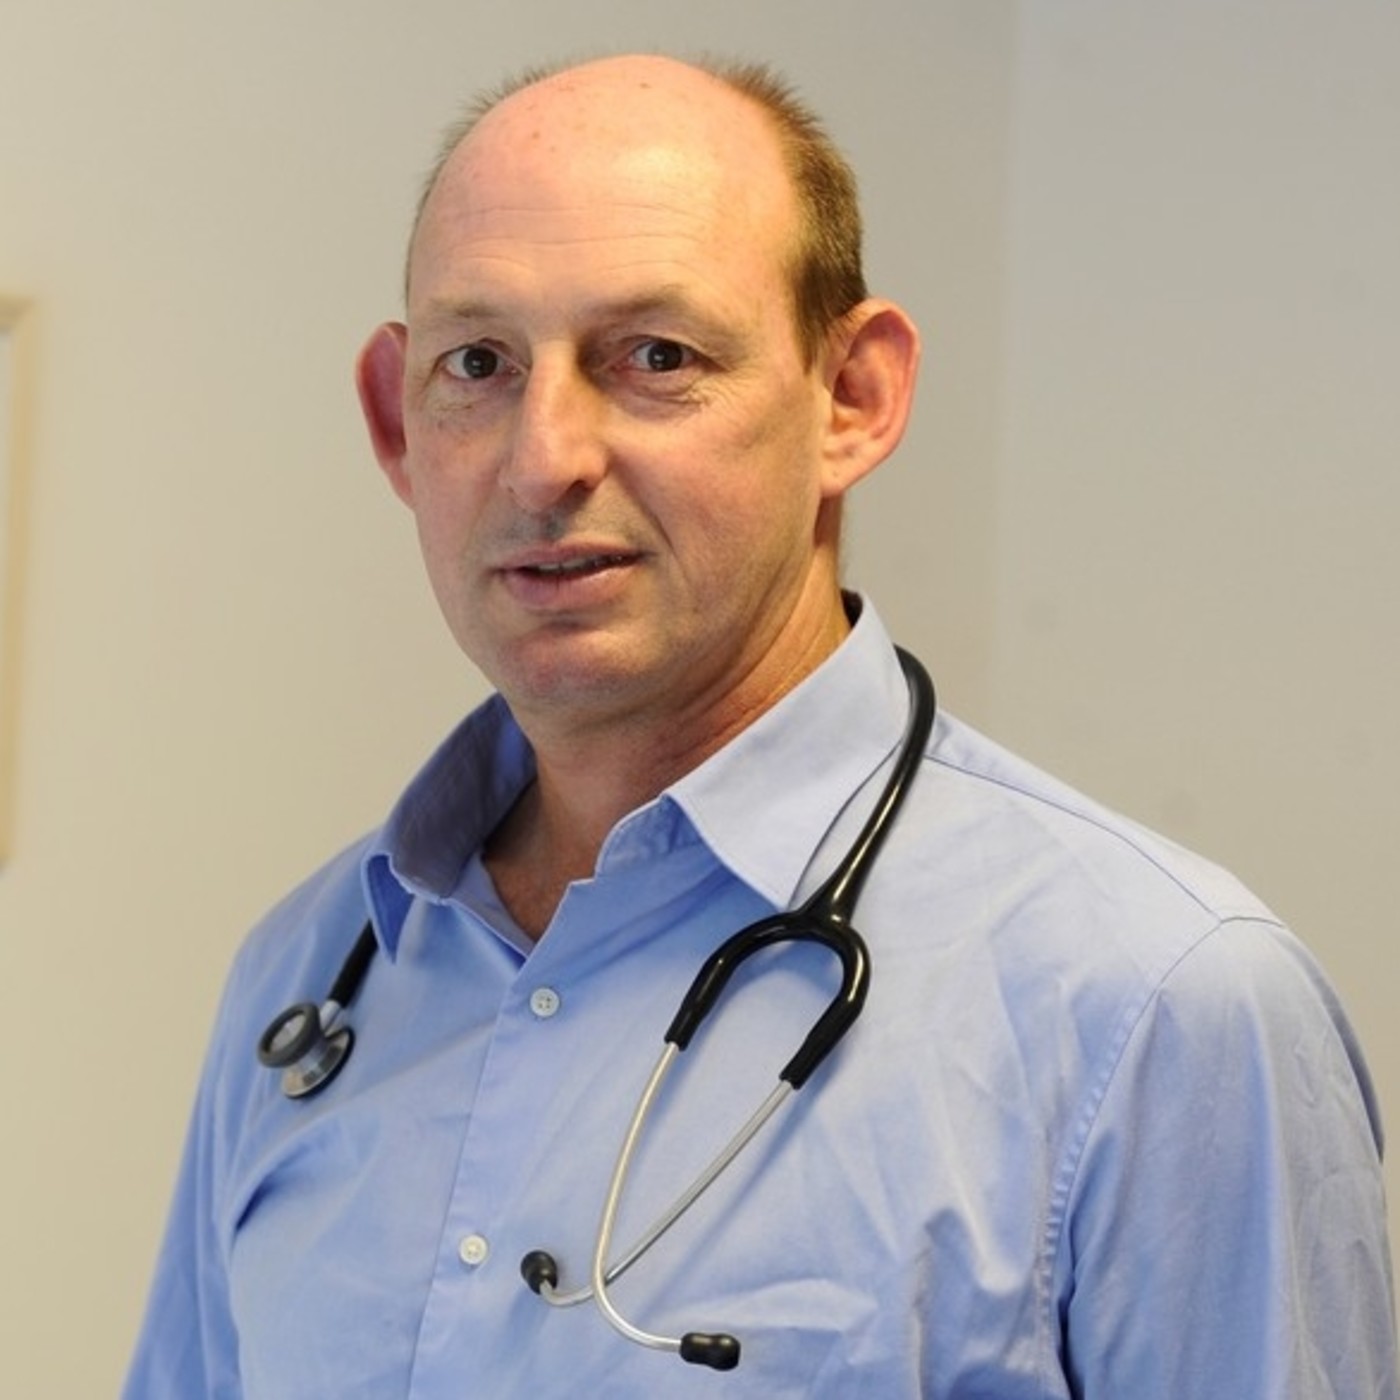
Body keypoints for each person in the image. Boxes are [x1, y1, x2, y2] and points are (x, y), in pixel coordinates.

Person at [124, 53, 1396, 1398]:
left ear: (854, 397)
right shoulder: (313, 974)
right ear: (397, 421)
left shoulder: (1156, 1009)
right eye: (478, 363)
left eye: (655, 357)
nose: (543, 459)